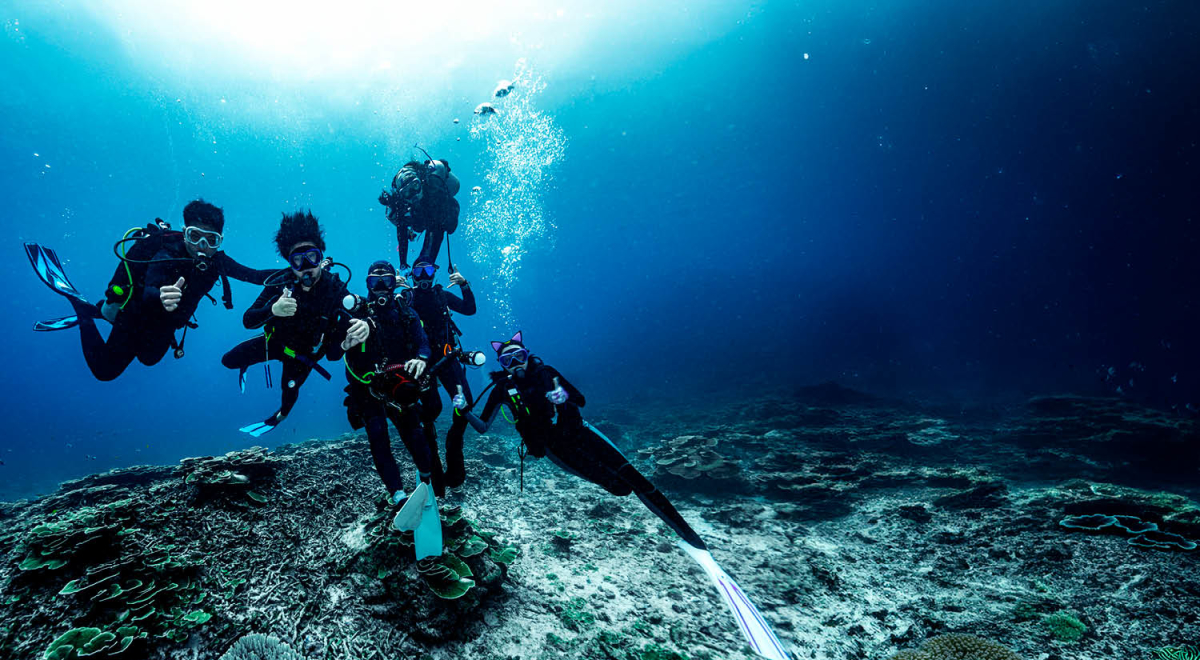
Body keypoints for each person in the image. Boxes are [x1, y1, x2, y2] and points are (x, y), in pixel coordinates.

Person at [460, 332, 792, 660]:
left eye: (519, 356)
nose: (516, 364)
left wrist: (564, 399)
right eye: (507, 360)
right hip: (556, 449)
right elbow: (483, 426)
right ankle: (661, 517)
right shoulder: (503, 389)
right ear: (501, 365)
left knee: (635, 476)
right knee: (619, 487)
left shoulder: (548, 373)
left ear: (528, 354)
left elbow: (581, 400)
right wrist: (462, 410)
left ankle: (691, 539)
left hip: (583, 431)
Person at [24, 199, 273, 381]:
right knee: (105, 371)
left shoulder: (218, 262)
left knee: (150, 359)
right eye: (195, 236)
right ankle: (85, 311)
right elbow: (151, 287)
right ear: (185, 234)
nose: (202, 246)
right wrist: (161, 295)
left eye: (211, 240)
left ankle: (101, 310)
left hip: (165, 325)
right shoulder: (166, 253)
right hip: (136, 315)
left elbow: (256, 276)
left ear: (219, 241)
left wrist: (297, 268)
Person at [223, 211, 357, 437]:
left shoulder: (334, 289)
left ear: (321, 256)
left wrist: (350, 338)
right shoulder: (279, 282)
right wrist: (273, 309)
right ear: (289, 263)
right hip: (275, 343)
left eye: (312, 257)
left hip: (304, 355)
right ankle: (249, 369)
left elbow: (335, 351)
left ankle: (279, 417)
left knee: (289, 393)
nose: (306, 266)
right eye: (297, 259)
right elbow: (249, 320)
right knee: (228, 360)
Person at [341, 261, 442, 558]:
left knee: (415, 435)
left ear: (395, 283)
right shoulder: (357, 312)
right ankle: (397, 495)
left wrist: (422, 359)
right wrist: (344, 341)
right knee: (378, 437)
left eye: (387, 281)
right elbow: (336, 342)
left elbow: (423, 343)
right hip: (368, 389)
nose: (381, 288)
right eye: (375, 282)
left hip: (399, 387)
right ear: (367, 284)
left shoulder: (405, 312)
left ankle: (425, 482)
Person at [409, 259, 479, 495]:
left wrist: (464, 284)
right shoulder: (408, 298)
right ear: (412, 276)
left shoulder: (441, 296)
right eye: (418, 272)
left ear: (434, 273)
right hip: (423, 365)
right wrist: (394, 293)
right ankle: (433, 464)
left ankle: (453, 446)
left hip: (448, 360)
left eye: (428, 270)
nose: (424, 276)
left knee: (465, 404)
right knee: (431, 410)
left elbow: (470, 309)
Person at [377, 157, 460, 270]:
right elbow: (401, 236)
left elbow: (440, 226)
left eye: (415, 186)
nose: (413, 194)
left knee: (442, 225)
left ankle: (425, 268)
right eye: (407, 192)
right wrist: (403, 263)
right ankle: (424, 268)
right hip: (421, 215)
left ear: (421, 182)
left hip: (436, 208)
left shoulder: (432, 185)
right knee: (417, 226)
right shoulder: (400, 204)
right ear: (402, 196)